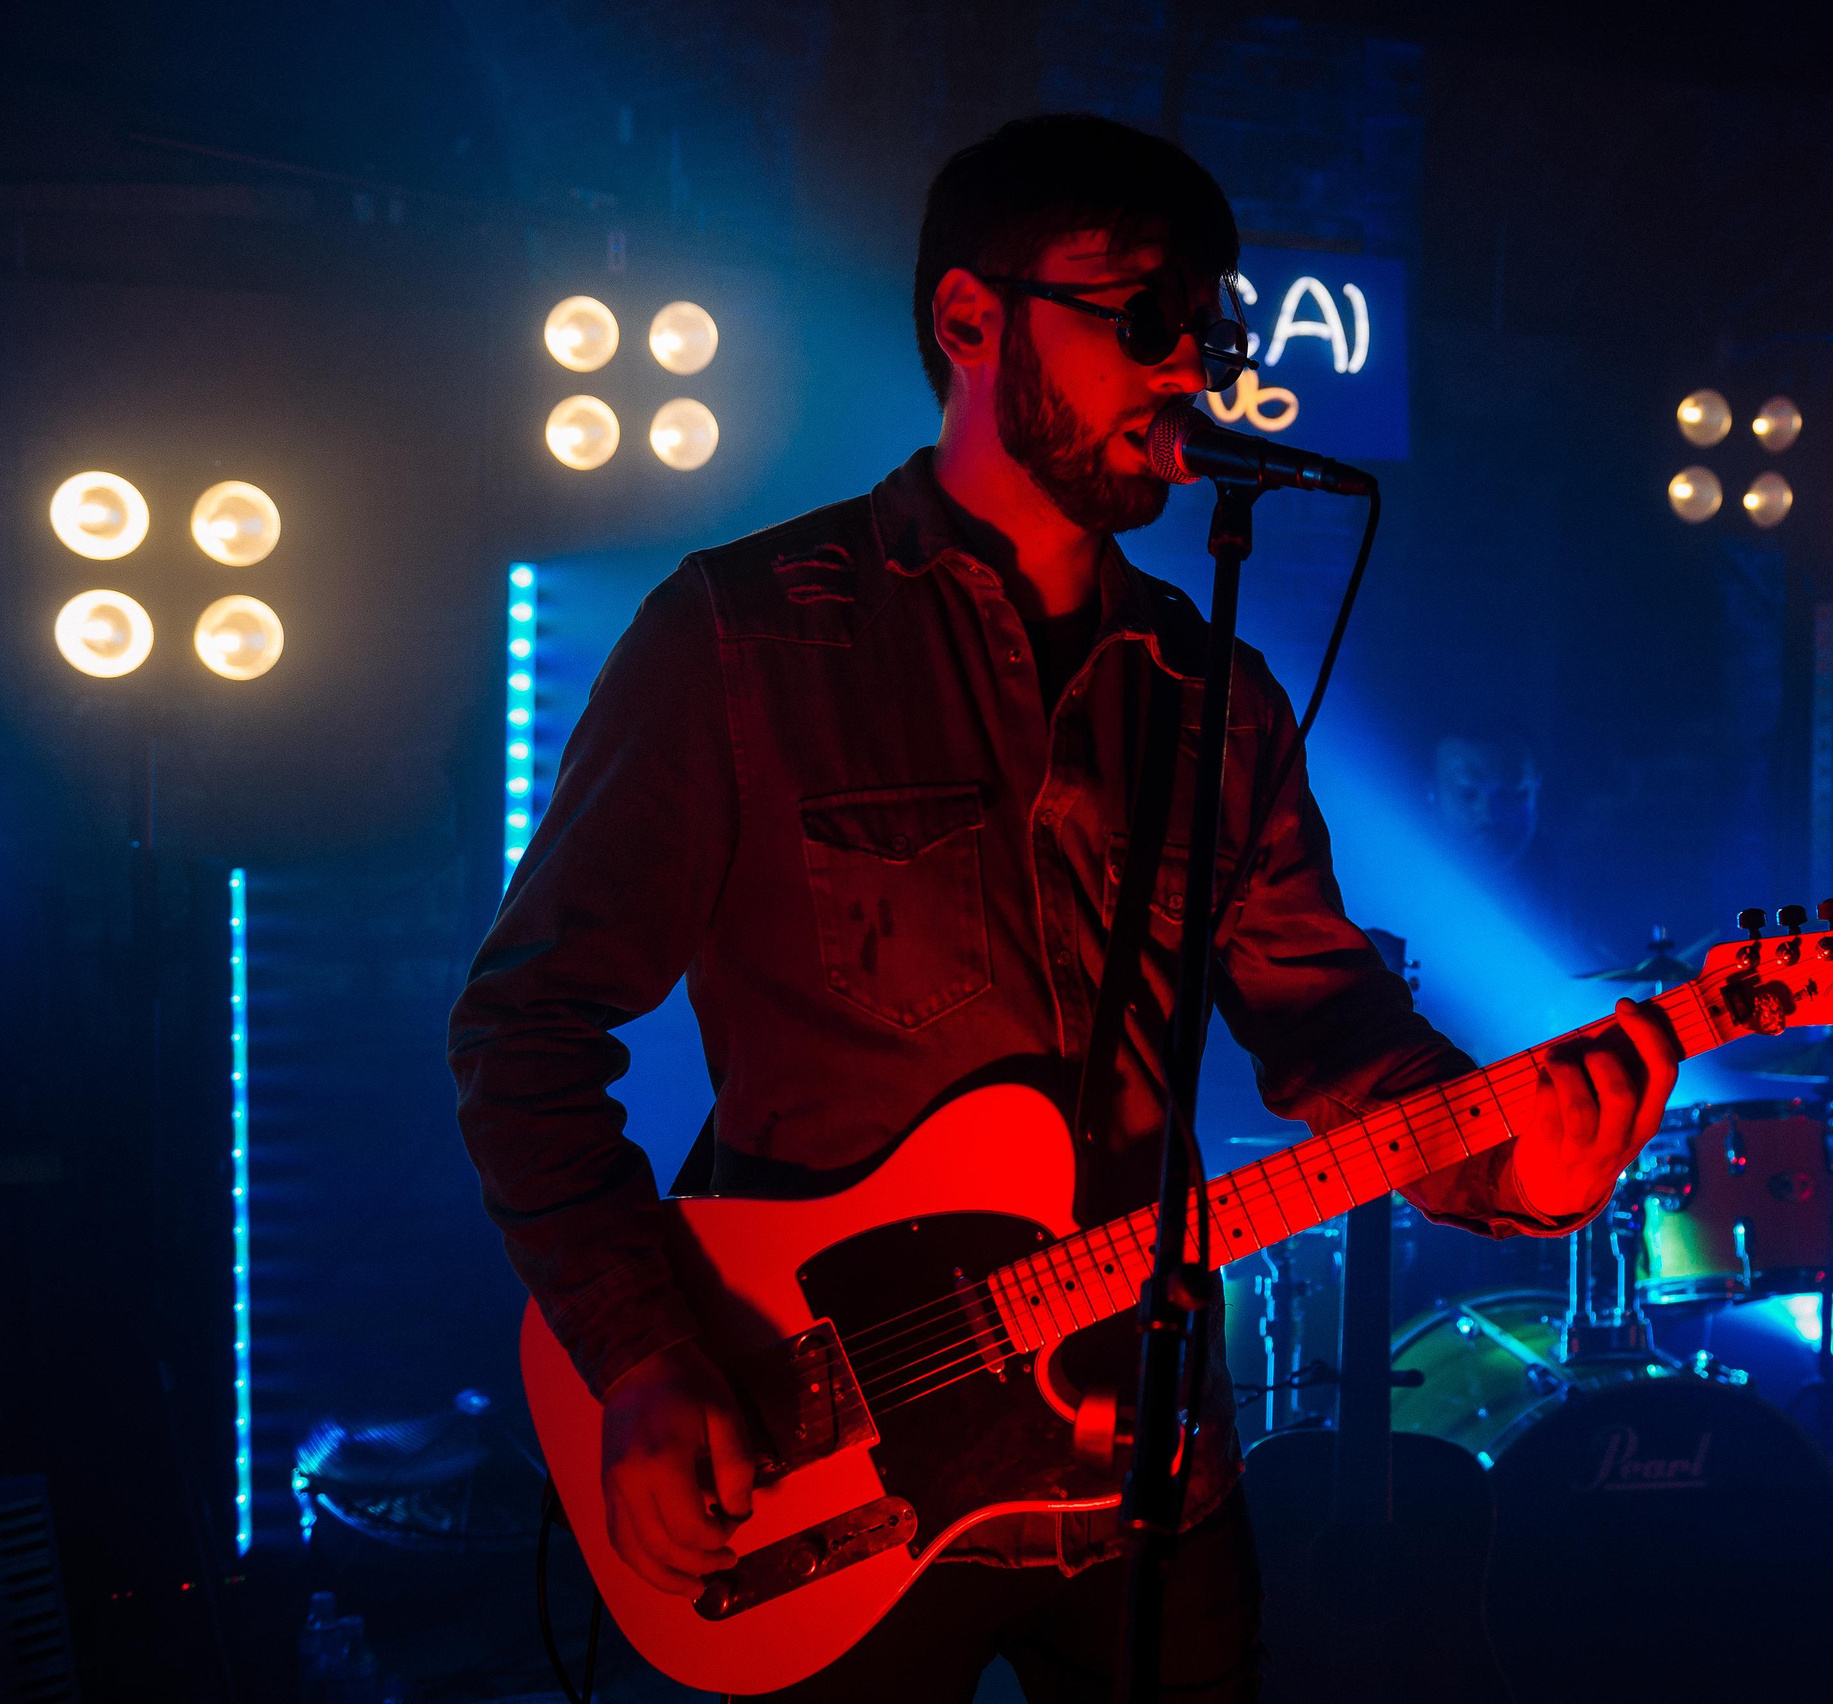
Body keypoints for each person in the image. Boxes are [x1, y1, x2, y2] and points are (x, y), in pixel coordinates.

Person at [449, 114, 1677, 1703]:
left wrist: (1518, 1165)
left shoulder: (1211, 693)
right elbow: (525, 1027)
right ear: (971, 320)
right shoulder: (744, 642)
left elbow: (1325, 1025)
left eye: (1213, 329)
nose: (1192, 372)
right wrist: (642, 1352)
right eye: (1146, 320)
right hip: (824, 1448)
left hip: (1148, 1466)